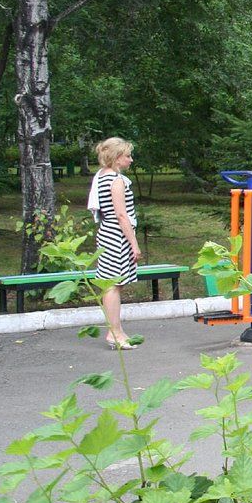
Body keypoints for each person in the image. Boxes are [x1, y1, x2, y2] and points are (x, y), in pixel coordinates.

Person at [88, 137, 141, 350]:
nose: (131, 159)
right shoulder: (116, 180)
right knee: (112, 284)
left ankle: (117, 330)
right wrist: (134, 244)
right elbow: (121, 215)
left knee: (113, 283)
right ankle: (114, 333)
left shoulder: (101, 176)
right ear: (117, 158)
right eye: (127, 156)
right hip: (116, 235)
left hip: (107, 232)